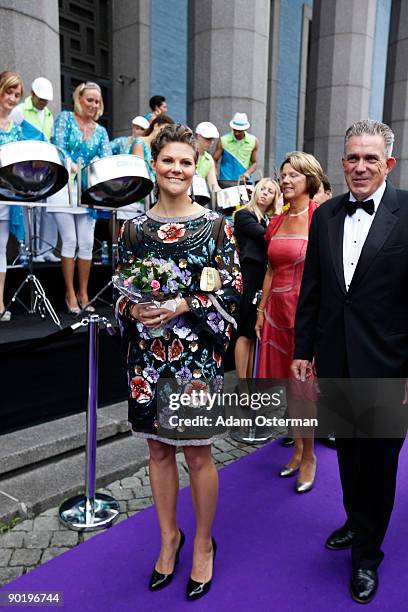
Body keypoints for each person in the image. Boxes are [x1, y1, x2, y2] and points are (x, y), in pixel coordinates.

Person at [116, 124, 241, 601]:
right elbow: (118, 292)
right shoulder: (132, 229)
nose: (176, 169)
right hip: (147, 357)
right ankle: (170, 537)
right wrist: (134, 309)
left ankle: (204, 543)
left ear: (196, 168)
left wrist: (184, 304)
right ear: (154, 164)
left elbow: (231, 286)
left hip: (195, 357)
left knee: (197, 452)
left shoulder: (214, 226)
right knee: (157, 450)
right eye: (168, 160)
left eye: (185, 162)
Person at [291, 119, 408, 604]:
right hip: (337, 359)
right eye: (353, 158)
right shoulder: (326, 215)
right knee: (348, 454)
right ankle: (355, 522)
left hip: (389, 365)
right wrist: (302, 350)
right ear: (341, 163)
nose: (361, 167)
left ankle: (367, 556)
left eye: (371, 159)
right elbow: (312, 289)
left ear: (389, 164)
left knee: (378, 464)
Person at [255, 151, 324, 492]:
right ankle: (296, 449)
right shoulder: (276, 221)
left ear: (309, 180)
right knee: (287, 387)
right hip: (276, 311)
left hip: (306, 311)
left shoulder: (320, 218)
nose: (285, 180)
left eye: (293, 175)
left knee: (303, 389)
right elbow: (270, 269)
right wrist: (261, 309)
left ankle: (310, 455)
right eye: (283, 174)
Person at [47, 82, 111, 314]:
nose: (93, 105)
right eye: (89, 100)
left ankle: (84, 292)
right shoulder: (65, 118)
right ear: (79, 98)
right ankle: (70, 293)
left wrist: (94, 169)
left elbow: (105, 158)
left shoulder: (101, 131)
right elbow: (58, 146)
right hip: (64, 187)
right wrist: (71, 164)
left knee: (86, 243)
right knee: (70, 241)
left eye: (97, 101)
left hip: (87, 191)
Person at [233, 178, 281, 378]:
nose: (265, 193)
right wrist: (279, 214)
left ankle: (249, 384)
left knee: (254, 333)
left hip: (262, 276)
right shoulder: (244, 215)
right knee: (245, 332)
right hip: (249, 276)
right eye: (263, 188)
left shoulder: (266, 220)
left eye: (271, 191)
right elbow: (267, 237)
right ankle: (242, 384)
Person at [11, 76, 60, 263]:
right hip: (25, 168)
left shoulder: (48, 115)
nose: (43, 103)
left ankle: (45, 250)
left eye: (46, 101)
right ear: (32, 94)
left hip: (44, 168)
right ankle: (28, 250)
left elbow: (50, 140)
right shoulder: (19, 111)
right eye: (41, 99)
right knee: (28, 210)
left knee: (46, 210)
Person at [0, 71, 24, 322]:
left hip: (5, 195)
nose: (13, 98)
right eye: (9, 92)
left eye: (16, 95)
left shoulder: (16, 130)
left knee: (0, 250)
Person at [213, 112, 258, 183]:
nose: (237, 133)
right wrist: (214, 171)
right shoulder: (223, 140)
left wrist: (247, 173)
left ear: (245, 129)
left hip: (244, 182)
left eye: (239, 131)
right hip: (226, 181)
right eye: (235, 130)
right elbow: (214, 159)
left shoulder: (253, 141)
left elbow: (254, 163)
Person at [195, 121, 221, 192]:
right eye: (208, 139)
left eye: (212, 139)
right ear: (198, 136)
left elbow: (213, 186)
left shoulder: (209, 159)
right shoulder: (187, 152)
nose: (211, 142)